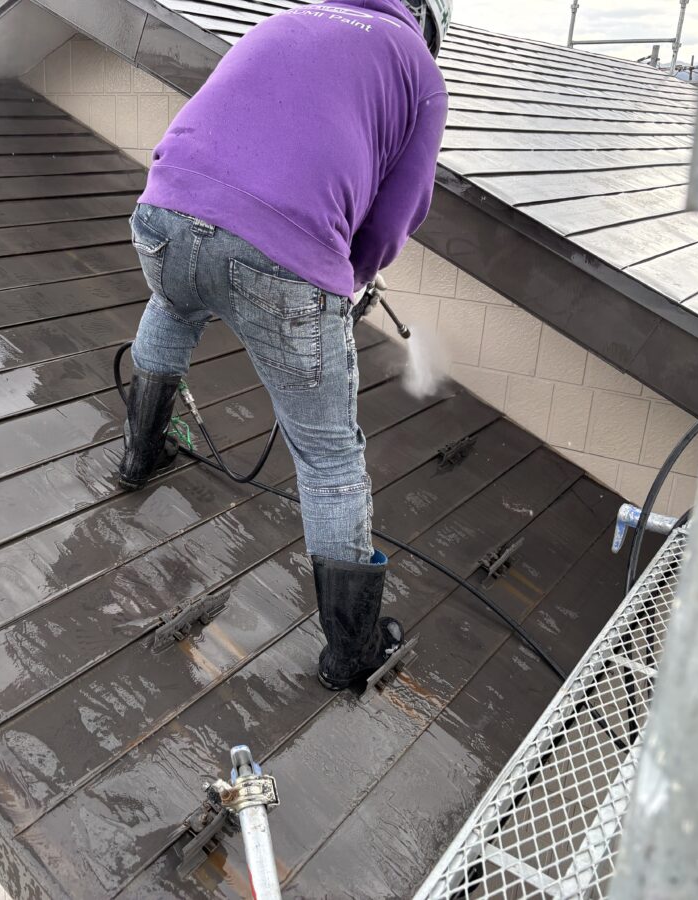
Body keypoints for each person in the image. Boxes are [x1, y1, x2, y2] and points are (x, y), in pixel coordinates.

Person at [117, 0, 451, 690]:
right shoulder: (417, 67)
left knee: (172, 306)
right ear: (426, 19)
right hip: (282, 256)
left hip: (164, 213)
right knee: (329, 456)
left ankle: (137, 457)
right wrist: (350, 278)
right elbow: (399, 211)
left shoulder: (286, 20)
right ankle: (352, 653)